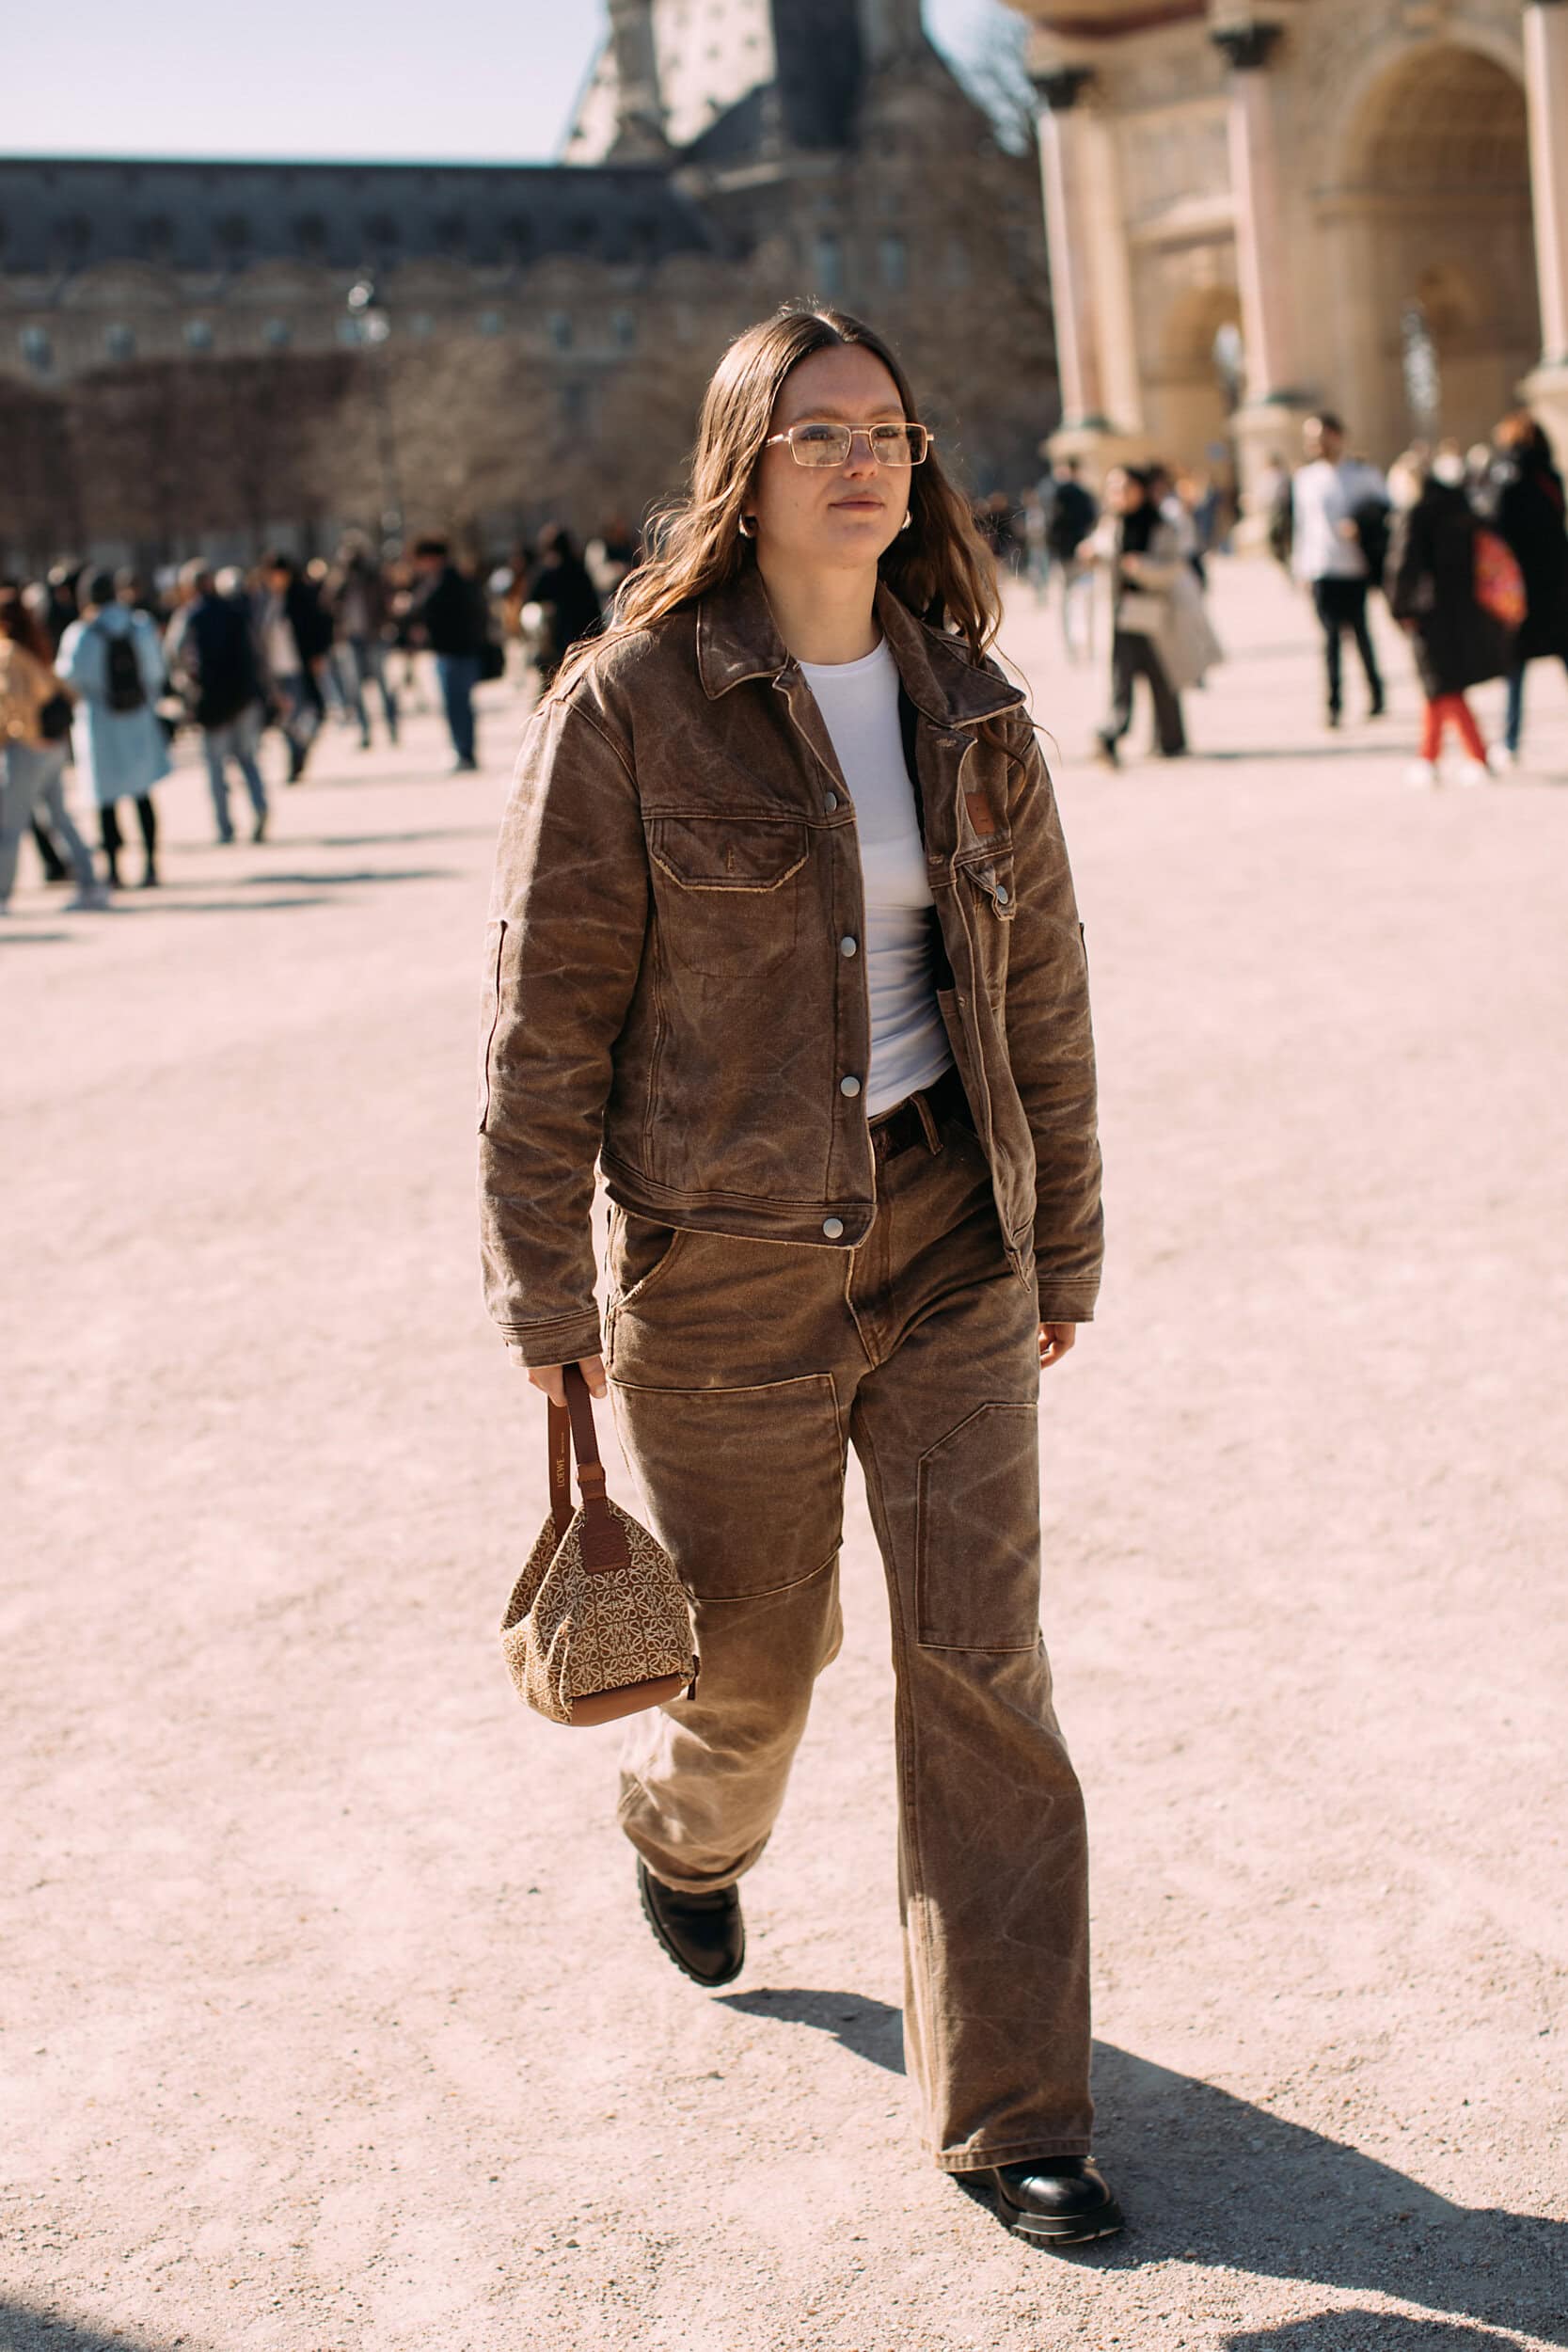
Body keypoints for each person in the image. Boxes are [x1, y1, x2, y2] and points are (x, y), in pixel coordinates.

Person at [479, 302, 1120, 2246]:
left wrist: (1060, 1229)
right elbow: (543, 1029)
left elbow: (1044, 997)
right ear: (740, 463)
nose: (863, 460)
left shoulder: (973, 704)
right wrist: (543, 1301)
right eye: (818, 431)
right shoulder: (629, 704)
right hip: (725, 1269)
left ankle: (1014, 2107)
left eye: (889, 432)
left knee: (978, 1667)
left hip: (946, 1241)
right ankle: (685, 1828)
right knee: (756, 1665)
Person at [1385, 445, 1513, 788]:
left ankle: (1474, 756)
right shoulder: (1460, 506)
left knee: (1443, 685)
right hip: (1463, 607)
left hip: (1428, 612)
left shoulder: (1416, 513)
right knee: (1438, 686)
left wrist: (1399, 608)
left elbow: (1402, 565)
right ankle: (1429, 757)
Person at [56, 567, 169, 890]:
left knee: (106, 802)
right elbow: (156, 671)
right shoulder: (140, 625)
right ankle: (151, 865)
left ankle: (115, 870)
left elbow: (69, 678)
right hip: (138, 719)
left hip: (100, 723)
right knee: (143, 795)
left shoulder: (81, 634)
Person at [0, 588, 105, 914]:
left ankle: (1, 894)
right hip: (53, 747)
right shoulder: (38, 647)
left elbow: (11, 704)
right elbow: (65, 691)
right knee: (61, 818)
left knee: (8, 826)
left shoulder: (7, 654)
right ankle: (91, 883)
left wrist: (17, 734)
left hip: (27, 749)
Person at [1090, 466, 1201, 764]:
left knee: (1162, 676)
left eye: (1124, 488)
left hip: (1155, 614)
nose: (1118, 495)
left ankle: (1171, 739)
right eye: (1113, 489)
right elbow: (1100, 549)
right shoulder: (1110, 523)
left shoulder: (1161, 525)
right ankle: (1111, 734)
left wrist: (1143, 568)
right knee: (1120, 680)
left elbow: (1174, 567)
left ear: (1140, 490)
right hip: (1121, 616)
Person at [1480, 410, 1568, 770]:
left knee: (1515, 668)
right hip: (1558, 581)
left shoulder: (1505, 480)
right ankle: (1510, 740)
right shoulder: (1551, 477)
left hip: (1520, 587)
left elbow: (1495, 533)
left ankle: (1511, 740)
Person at [1291, 412, 1388, 727]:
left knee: (1361, 634)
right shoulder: (1305, 479)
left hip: (1355, 566)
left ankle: (1376, 693)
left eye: (1320, 436)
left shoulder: (1363, 474)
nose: (1314, 444)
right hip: (1322, 567)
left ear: (1337, 436)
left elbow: (1386, 512)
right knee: (1330, 638)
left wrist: (1362, 525)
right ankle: (1334, 703)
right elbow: (1302, 527)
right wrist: (1301, 569)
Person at [164, 561, 270, 844]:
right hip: (243, 696)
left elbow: (173, 653)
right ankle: (260, 806)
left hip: (211, 701)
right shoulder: (234, 611)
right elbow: (257, 651)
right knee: (247, 758)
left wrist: (186, 686)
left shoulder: (189, 616)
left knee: (215, 768)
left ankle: (225, 827)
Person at [408, 537, 488, 771]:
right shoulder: (443, 580)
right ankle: (463, 749)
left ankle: (465, 751)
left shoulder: (450, 581)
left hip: (456, 650)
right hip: (451, 650)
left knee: (457, 704)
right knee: (456, 703)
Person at [259, 553, 332, 783]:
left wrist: (317, 656)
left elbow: (319, 626)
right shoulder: (266, 601)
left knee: (304, 715)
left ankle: (298, 755)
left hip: (298, 665)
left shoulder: (301, 597)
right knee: (287, 720)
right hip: (276, 669)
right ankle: (295, 756)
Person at [325, 539, 399, 750]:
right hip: (352, 638)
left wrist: (385, 624)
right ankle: (365, 731)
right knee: (354, 689)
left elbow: (387, 601)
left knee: (382, 685)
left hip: (374, 636)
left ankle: (391, 726)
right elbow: (328, 602)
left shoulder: (373, 577)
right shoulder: (342, 581)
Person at [527, 525, 604, 690]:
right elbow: (593, 608)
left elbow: (530, 606)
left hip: (555, 646)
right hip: (584, 640)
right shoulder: (579, 571)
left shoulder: (545, 574)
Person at [1043, 457, 1098, 662]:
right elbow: (1093, 520)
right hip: (1081, 553)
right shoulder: (1085, 495)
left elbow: (1051, 523)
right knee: (1085, 601)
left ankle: (1070, 649)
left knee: (1064, 602)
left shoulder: (1056, 493)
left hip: (1062, 555)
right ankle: (1087, 645)